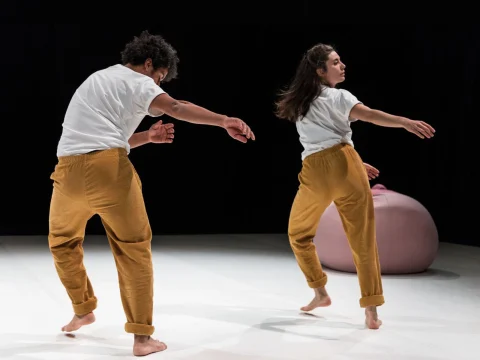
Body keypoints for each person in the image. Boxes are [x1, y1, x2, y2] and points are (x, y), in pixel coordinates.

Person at [48, 30, 255, 357]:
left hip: (67, 172)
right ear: (148, 64)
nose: (158, 85)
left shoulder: (97, 79)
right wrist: (223, 120)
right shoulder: (139, 81)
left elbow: (104, 139)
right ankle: (142, 339)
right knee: (133, 250)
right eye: (159, 77)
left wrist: (147, 137)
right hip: (109, 172)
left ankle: (82, 307)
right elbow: (175, 107)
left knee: (62, 242)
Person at [274, 43, 435, 329]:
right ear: (320, 71)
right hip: (343, 166)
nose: (342, 65)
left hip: (318, 171)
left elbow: (322, 142)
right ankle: (371, 310)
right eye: (335, 62)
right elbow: (368, 116)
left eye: (340, 61)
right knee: (362, 242)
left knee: (298, 235)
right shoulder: (336, 97)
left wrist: (354, 161)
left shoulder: (301, 101)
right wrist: (405, 123)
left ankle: (321, 292)